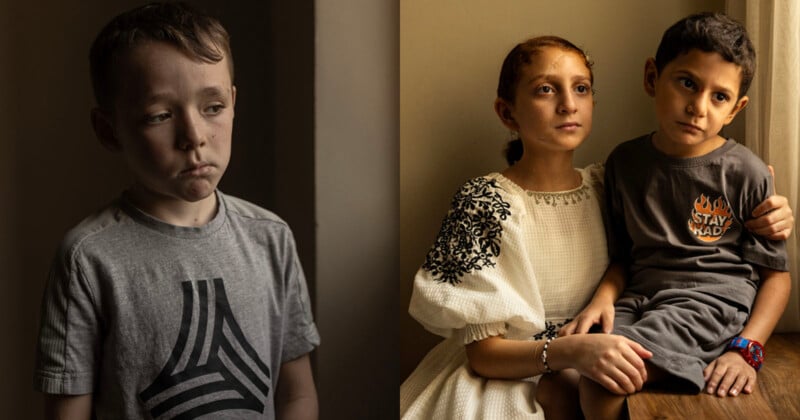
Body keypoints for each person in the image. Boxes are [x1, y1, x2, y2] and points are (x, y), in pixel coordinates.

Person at [400, 35, 793, 420]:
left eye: (581, 88)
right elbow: (484, 354)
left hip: (605, 352)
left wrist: (771, 210)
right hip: (510, 376)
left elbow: (672, 226)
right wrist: (572, 351)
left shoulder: (610, 182)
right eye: (545, 90)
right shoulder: (484, 201)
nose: (568, 105)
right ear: (507, 113)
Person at [33, 3, 320, 419]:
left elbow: (297, 393)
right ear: (108, 129)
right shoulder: (88, 259)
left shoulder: (271, 238)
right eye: (159, 116)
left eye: (213, 107)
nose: (194, 136)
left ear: (234, 103)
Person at [564, 12, 792, 420]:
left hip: (708, 305)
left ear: (735, 109)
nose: (697, 107)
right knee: (565, 371)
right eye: (687, 82)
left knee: (604, 378)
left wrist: (748, 349)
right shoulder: (625, 163)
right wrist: (601, 300)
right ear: (653, 77)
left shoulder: (746, 172)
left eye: (718, 97)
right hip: (639, 300)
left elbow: (776, 275)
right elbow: (624, 257)